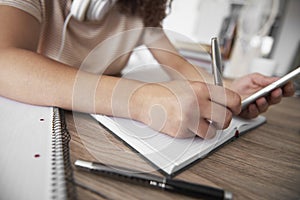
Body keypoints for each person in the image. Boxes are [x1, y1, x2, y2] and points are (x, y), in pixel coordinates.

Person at [0, 0, 295, 139]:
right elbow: (5, 59)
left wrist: (225, 90)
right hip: (35, 130)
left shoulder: (139, 10)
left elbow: (178, 65)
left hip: (94, 129)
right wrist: (139, 99)